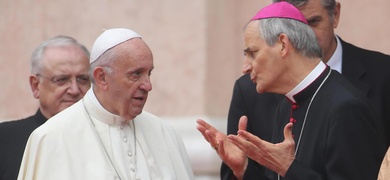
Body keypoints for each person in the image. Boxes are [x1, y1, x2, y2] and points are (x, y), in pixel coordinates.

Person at [197, 1, 387, 179]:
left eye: (253, 53)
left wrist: (289, 167)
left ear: (283, 45)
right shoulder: (287, 105)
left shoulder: (346, 107)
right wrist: (245, 169)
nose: (245, 68)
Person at [17, 28, 194, 180]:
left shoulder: (165, 134)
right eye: (136, 74)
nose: (148, 85)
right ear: (102, 77)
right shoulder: (51, 137)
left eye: (149, 73)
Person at [0, 36, 91, 180]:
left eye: (83, 79)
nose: (74, 90)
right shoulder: (4, 140)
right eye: (61, 79)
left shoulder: (105, 138)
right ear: (36, 85)